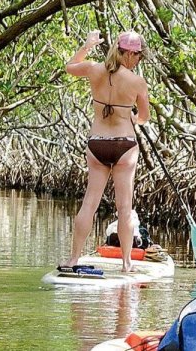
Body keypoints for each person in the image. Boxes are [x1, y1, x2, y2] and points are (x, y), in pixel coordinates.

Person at [59, 29, 151, 275]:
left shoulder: (93, 69)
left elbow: (70, 66)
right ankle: (126, 263)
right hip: (124, 145)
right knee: (124, 207)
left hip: (97, 142)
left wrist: (88, 45)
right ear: (130, 54)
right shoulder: (137, 82)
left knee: (89, 203)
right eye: (139, 56)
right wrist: (132, 116)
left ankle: (73, 259)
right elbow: (144, 117)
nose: (139, 60)